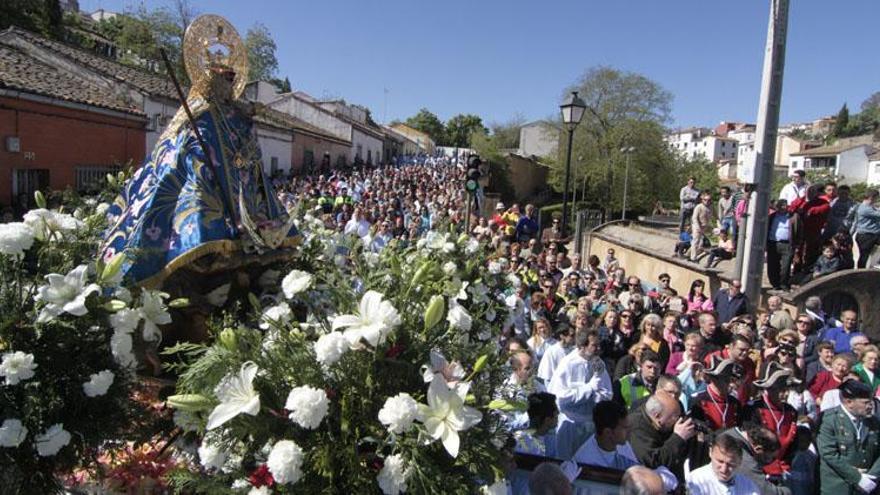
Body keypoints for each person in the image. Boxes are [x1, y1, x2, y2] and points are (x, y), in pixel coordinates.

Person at [547, 329, 612, 459]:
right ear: (582, 346)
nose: (598, 348)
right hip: (570, 423)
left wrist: (596, 396)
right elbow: (560, 397)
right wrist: (588, 389)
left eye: (599, 344)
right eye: (594, 345)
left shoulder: (598, 363)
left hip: (590, 423)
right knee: (565, 460)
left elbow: (607, 393)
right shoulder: (568, 364)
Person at [817, 379, 880, 495]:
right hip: (839, 487)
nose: (870, 406)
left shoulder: (873, 422)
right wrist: (858, 478)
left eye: (871, 402)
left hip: (868, 487)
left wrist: (872, 476)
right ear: (849, 402)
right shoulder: (830, 420)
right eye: (865, 402)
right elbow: (828, 454)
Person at [743, 361, 800, 477]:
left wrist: (785, 463)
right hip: (758, 467)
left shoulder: (791, 411)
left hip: (783, 467)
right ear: (769, 389)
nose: (785, 394)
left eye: (786, 389)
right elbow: (751, 440)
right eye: (780, 390)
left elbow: (793, 445)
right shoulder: (753, 409)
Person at [629, 391, 696, 480]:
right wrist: (678, 438)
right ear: (657, 416)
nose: (678, 421)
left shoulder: (660, 423)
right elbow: (653, 462)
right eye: (674, 417)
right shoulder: (637, 427)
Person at [720, 425, 790, 495]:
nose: (769, 463)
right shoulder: (745, 460)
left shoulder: (729, 434)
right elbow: (768, 492)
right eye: (767, 458)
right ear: (758, 449)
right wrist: (787, 491)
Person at [685, 433, 761, 495]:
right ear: (710, 453)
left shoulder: (748, 485)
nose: (724, 469)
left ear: (740, 462)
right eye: (720, 461)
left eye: (731, 464)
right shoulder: (695, 481)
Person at [690, 356, 745, 430]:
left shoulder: (734, 403)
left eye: (733, 380)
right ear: (714, 379)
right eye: (726, 380)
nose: (731, 384)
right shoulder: (698, 401)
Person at [788, 185, 830, 275]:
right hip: (799, 232)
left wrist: (807, 210)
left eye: (813, 191)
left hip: (813, 232)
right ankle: (796, 272)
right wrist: (804, 200)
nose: (811, 193)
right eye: (809, 191)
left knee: (811, 253)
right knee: (797, 252)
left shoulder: (823, 202)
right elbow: (792, 207)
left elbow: (819, 210)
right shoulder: (801, 200)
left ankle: (808, 272)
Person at [767, 199, 794, 291]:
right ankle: (775, 284)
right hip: (773, 243)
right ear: (777, 207)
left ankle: (784, 284)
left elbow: (799, 230)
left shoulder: (793, 217)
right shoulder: (771, 217)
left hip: (787, 244)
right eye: (781, 205)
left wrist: (796, 244)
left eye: (785, 205)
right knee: (772, 265)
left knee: (786, 267)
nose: (783, 207)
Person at [852, 189, 880, 268]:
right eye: (876, 198)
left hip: (874, 234)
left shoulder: (870, 207)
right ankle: (860, 273)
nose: (877, 200)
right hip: (866, 236)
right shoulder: (864, 209)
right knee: (864, 256)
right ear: (871, 197)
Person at [691, 190, 715, 261]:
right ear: (702, 200)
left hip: (705, 226)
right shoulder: (699, 207)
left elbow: (716, 217)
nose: (707, 201)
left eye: (709, 200)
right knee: (696, 241)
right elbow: (694, 218)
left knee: (714, 235)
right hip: (697, 226)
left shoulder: (711, 207)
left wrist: (719, 225)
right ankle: (693, 258)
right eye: (705, 200)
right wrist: (698, 227)